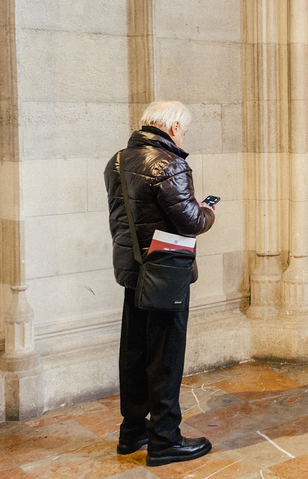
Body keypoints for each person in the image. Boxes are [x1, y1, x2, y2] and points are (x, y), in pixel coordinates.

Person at [103, 101, 216, 466]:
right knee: (165, 356)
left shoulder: (118, 160)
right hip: (165, 272)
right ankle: (165, 439)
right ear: (173, 127)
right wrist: (208, 210)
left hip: (133, 269)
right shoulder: (169, 164)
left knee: (134, 351)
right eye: (184, 130)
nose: (183, 136)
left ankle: (132, 431)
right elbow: (191, 221)